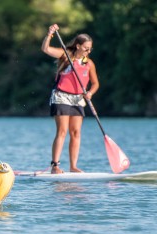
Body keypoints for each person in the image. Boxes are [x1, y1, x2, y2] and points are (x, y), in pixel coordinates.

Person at [41, 23, 99, 174]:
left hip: (78, 99)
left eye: (90, 48)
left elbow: (95, 83)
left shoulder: (89, 63)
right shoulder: (66, 55)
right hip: (61, 96)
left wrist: (90, 93)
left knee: (76, 132)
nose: (88, 51)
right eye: (86, 48)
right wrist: (50, 34)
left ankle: (73, 166)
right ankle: (55, 166)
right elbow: (45, 49)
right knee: (62, 131)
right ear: (78, 46)